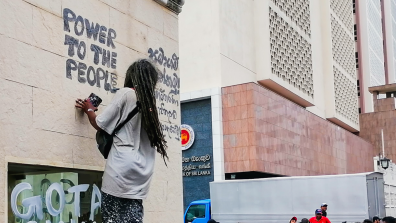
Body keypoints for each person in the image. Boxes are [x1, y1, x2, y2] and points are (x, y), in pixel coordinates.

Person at [75, 59, 168, 223]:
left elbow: (99, 124)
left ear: (132, 77)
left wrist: (89, 108)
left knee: (111, 218)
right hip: (141, 175)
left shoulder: (126, 93)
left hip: (120, 170)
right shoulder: (150, 105)